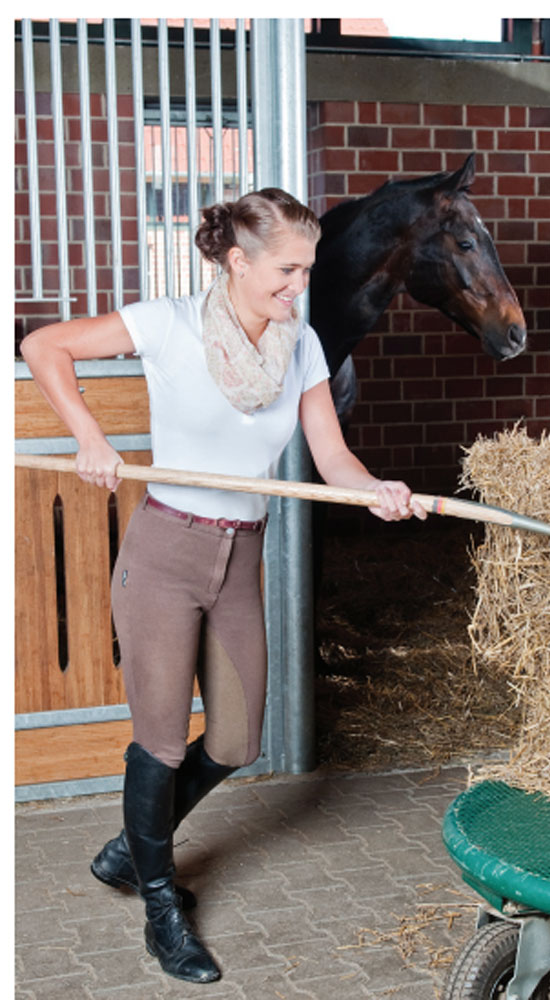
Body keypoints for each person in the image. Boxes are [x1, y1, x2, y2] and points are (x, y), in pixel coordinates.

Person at [20, 188, 427, 985]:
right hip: (166, 553)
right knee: (163, 743)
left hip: (242, 555)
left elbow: (330, 455)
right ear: (237, 262)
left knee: (238, 741)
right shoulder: (167, 324)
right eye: (285, 269)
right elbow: (43, 346)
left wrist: (374, 488)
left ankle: (132, 847)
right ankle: (160, 903)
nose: (297, 286)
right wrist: (91, 439)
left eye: (306, 270)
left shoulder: (300, 344)